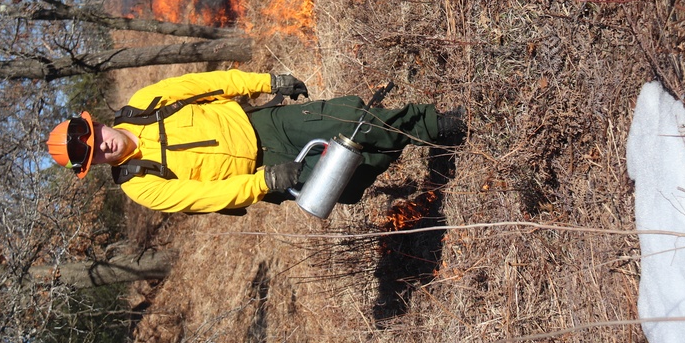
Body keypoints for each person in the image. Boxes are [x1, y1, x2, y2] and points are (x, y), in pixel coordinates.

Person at [46, 70, 464, 214]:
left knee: (349, 119)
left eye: (92, 138)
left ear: (95, 125)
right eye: (90, 157)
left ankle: (437, 126)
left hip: (265, 124)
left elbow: (207, 84)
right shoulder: (140, 186)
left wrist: (266, 82)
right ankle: (399, 144)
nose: (100, 147)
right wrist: (265, 182)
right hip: (265, 173)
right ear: (93, 167)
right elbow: (207, 197)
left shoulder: (143, 104)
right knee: (350, 179)